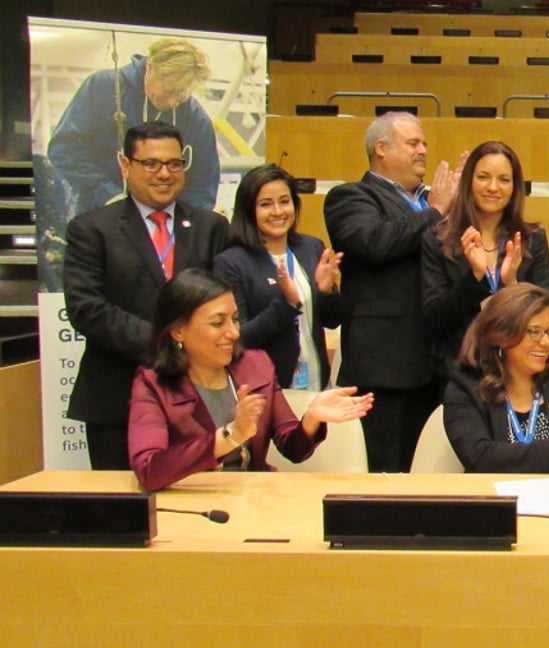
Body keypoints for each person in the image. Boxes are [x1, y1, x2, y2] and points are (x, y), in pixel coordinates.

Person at [64, 121, 228, 470]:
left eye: (173, 163)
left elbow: (225, 302)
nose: (164, 174)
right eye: (151, 163)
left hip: (196, 400)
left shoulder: (210, 227)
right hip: (117, 398)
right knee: (125, 516)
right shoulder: (92, 229)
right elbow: (87, 309)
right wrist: (166, 345)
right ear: (126, 165)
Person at [127, 270, 372, 491]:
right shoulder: (152, 385)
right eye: (217, 323)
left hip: (252, 498)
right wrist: (231, 434)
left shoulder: (254, 365)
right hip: (191, 505)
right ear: (178, 331)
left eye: (234, 319)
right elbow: (149, 471)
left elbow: (293, 449)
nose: (233, 332)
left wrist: (311, 419)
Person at [323, 111, 464, 472]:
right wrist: (436, 211)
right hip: (385, 372)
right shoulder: (350, 198)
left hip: (440, 366)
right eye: (413, 143)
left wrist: (465, 206)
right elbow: (375, 243)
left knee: (433, 476)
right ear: (380, 148)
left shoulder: (438, 201)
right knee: (386, 478)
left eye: (425, 144)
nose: (423, 151)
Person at [443, 284, 549, 474]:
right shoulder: (466, 389)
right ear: (502, 335)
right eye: (534, 332)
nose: (546, 342)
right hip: (498, 500)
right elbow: (481, 458)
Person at [422, 141, 549, 377]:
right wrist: (475, 278)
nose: (493, 187)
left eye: (504, 179)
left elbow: (547, 315)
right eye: (483, 177)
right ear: (469, 181)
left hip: (518, 372)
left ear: (515, 187)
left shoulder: (532, 239)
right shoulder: (438, 239)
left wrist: (512, 284)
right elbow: (434, 320)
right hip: (457, 371)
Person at [48, 38, 219, 215]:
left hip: (166, 231)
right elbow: (64, 149)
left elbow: (204, 187)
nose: (174, 102)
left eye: (182, 96)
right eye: (169, 91)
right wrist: (107, 195)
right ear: (150, 67)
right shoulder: (104, 88)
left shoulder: (196, 119)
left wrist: (179, 222)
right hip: (102, 218)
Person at [215, 164, 342, 391]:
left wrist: (327, 291)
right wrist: (286, 305)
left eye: (285, 201)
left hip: (316, 381)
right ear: (249, 210)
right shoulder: (232, 262)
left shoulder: (311, 247)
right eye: (266, 204)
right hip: (264, 388)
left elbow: (332, 320)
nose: (278, 212)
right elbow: (238, 338)